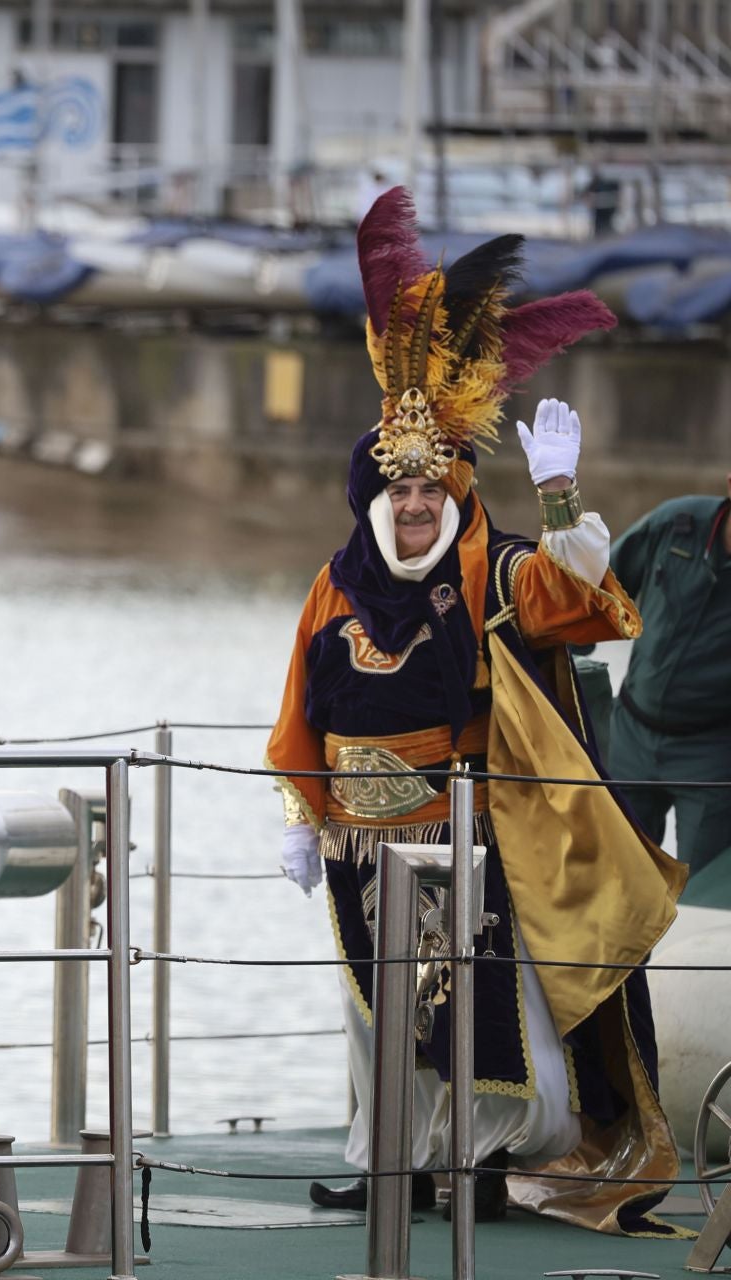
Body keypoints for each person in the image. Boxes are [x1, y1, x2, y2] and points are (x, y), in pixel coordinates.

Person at [265, 189, 688, 1234]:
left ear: (452, 496)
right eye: (397, 496)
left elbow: (585, 607)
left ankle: (488, 1164)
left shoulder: (497, 572)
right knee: (373, 1017)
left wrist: (557, 499)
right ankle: (389, 1165)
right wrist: (300, 813)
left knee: (481, 1016)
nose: (412, 508)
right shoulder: (335, 581)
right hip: (358, 838)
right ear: (373, 503)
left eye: (429, 495)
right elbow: (299, 709)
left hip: (462, 831)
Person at [608, 472, 731, 880]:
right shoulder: (676, 522)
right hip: (630, 735)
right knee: (618, 882)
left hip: (710, 754)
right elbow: (599, 590)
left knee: (703, 898)